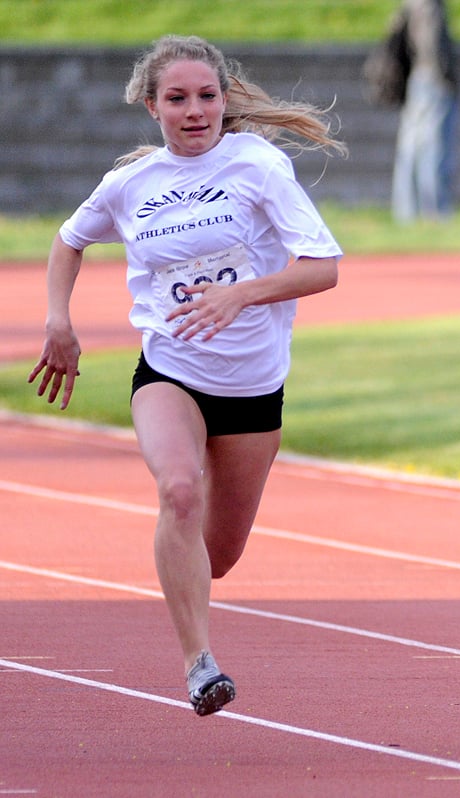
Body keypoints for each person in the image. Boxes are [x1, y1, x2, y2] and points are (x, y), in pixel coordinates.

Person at [28, 34, 346, 717]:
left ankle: (182, 578)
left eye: (206, 96)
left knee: (219, 557)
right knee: (177, 490)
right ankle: (199, 664)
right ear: (152, 107)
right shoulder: (130, 185)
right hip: (170, 370)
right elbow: (68, 239)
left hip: (253, 388)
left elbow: (322, 269)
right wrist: (59, 320)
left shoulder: (257, 167)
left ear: (225, 101)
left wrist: (241, 292)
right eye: (178, 98)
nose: (195, 110)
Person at [390, 0, 460, 223]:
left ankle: (407, 212)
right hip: (431, 80)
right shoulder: (430, 5)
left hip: (418, 79)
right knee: (433, 149)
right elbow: (432, 45)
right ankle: (435, 213)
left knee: (410, 149)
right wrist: (446, 77)